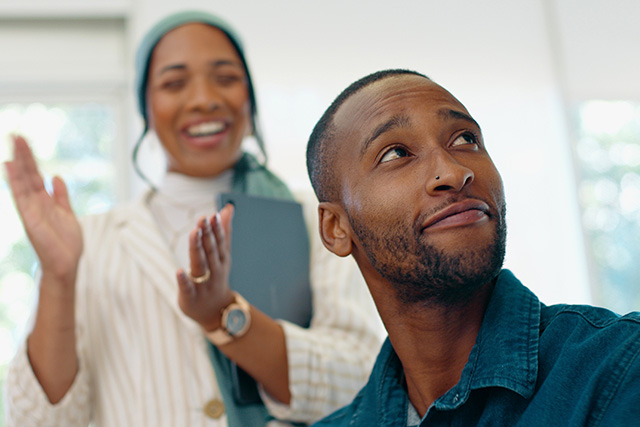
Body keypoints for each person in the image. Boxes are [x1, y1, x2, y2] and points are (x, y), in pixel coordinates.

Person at [3, 11, 384, 426]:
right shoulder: (90, 242)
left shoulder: (316, 219)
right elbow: (39, 419)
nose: (203, 98)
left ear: (250, 97)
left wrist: (227, 316)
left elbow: (360, 382)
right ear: (145, 108)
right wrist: (59, 279)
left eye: (224, 78)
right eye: (174, 83)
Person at [304, 69, 640, 426]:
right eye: (395, 153)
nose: (453, 171)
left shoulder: (623, 367)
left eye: (465, 139)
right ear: (336, 228)